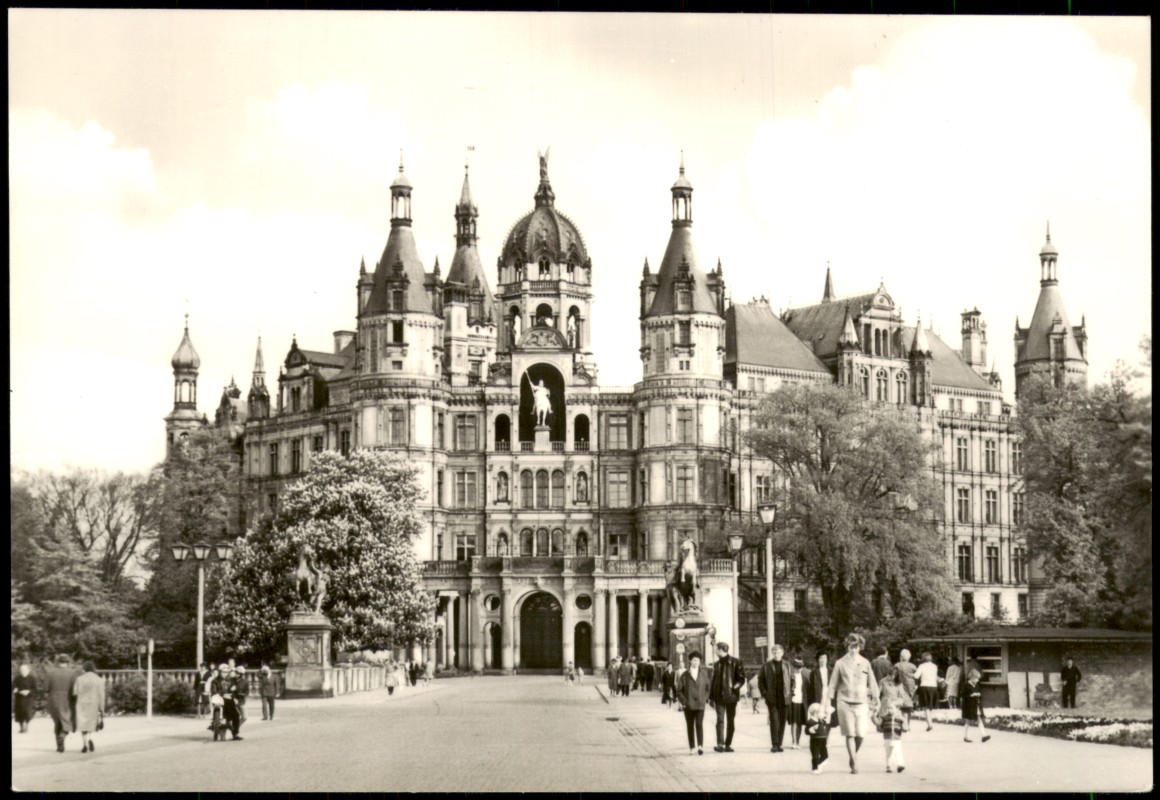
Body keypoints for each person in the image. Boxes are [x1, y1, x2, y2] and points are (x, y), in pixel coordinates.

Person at [828, 632, 880, 774]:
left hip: (861, 702)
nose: (853, 650)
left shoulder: (865, 662)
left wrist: (876, 697)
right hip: (844, 701)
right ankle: (854, 761)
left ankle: (853, 756)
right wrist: (828, 703)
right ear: (847, 647)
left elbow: (872, 682)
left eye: (856, 647)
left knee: (861, 733)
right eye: (851, 646)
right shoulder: (840, 663)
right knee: (850, 733)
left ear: (860, 647)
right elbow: (832, 684)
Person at [708, 642, 745, 753]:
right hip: (719, 697)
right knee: (720, 720)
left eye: (716, 649)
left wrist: (735, 687)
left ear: (721, 650)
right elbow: (713, 682)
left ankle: (728, 744)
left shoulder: (736, 662)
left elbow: (741, 678)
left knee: (730, 721)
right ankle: (720, 744)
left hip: (731, 697)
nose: (715, 651)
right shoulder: (716, 664)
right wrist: (711, 697)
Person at [758, 644, 793, 753]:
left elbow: (792, 680)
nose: (776, 654)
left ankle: (779, 744)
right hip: (772, 698)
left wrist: (791, 692)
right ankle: (774, 744)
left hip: (784, 698)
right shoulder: (766, 666)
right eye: (774, 652)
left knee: (782, 722)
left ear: (782, 653)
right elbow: (761, 681)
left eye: (778, 652)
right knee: (774, 721)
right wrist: (765, 694)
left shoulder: (787, 665)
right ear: (772, 654)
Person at [676, 651, 711, 756]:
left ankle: (700, 746)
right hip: (688, 705)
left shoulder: (704, 674)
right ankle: (692, 747)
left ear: (700, 662)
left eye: (698, 660)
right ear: (690, 661)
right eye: (694, 660)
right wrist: (684, 702)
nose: (696, 662)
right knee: (690, 726)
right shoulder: (685, 675)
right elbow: (679, 691)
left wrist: (705, 698)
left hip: (700, 704)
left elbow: (708, 688)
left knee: (699, 724)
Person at [45, 654, 80, 754]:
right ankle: (62, 736)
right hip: (67, 700)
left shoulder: (50, 673)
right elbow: (75, 689)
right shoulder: (72, 673)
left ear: (58, 662)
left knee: (57, 722)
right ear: (67, 662)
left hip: (53, 700)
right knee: (67, 721)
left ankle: (59, 746)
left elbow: (46, 688)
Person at [876, 667, 908, 773]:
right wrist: (876, 708)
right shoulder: (883, 681)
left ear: (896, 676)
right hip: (885, 707)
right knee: (888, 737)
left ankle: (899, 763)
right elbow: (877, 695)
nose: (890, 677)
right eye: (889, 675)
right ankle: (888, 763)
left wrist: (895, 702)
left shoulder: (899, 684)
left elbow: (903, 699)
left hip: (895, 708)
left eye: (893, 676)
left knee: (896, 739)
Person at [71, 662, 105, 754]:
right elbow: (101, 695)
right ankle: (90, 738)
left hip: (82, 704)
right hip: (94, 704)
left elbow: (75, 693)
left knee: (83, 725)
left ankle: (84, 744)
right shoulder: (99, 680)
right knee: (91, 724)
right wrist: (102, 709)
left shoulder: (79, 679)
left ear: (84, 669)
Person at [960, 669, 990, 743]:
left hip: (976, 705)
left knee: (979, 719)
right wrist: (970, 695)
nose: (977, 680)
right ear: (972, 677)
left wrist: (978, 694)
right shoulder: (966, 685)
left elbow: (979, 692)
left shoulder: (976, 685)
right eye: (976, 678)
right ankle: (966, 736)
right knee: (968, 721)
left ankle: (983, 735)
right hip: (968, 706)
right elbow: (962, 695)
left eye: (978, 679)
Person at [914, 652, 940, 731]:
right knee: (930, 706)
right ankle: (930, 721)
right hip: (933, 686)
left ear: (923, 659)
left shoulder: (922, 666)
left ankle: (929, 724)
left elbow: (916, 676)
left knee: (925, 707)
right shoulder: (935, 666)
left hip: (924, 686)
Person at [894, 649, 918, 732]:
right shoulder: (912, 666)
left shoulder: (896, 665)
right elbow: (917, 676)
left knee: (901, 707)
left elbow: (894, 676)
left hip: (900, 686)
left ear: (901, 657)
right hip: (910, 688)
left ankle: (902, 725)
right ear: (909, 657)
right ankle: (907, 724)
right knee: (908, 708)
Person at [804, 702, 831, 773]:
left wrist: (827, 714)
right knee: (815, 755)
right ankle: (815, 768)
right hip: (815, 741)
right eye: (821, 712)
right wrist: (810, 730)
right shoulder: (810, 721)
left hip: (823, 741)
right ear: (816, 713)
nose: (823, 714)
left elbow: (825, 722)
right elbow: (806, 731)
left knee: (825, 755)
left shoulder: (820, 720)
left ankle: (819, 764)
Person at [12, 662, 37, 734]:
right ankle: (21, 727)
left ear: (28, 670)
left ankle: (26, 725)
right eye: (22, 670)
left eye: (25, 670)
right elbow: (13, 687)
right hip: (19, 698)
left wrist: (28, 692)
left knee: (27, 712)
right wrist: (16, 690)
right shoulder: (17, 678)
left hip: (28, 699)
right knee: (19, 713)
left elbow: (35, 689)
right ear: (20, 670)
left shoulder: (32, 678)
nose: (23, 671)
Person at [788, 656, 807, 749]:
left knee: (799, 722)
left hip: (801, 701)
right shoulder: (790, 676)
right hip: (793, 701)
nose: (799, 669)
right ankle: (793, 741)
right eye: (797, 667)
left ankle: (797, 742)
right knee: (793, 722)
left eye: (801, 667)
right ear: (793, 667)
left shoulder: (804, 677)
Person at [805, 651, 831, 715]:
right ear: (818, 660)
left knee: (828, 713)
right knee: (819, 713)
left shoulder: (831, 671)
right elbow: (811, 688)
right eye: (821, 658)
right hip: (818, 694)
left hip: (828, 694)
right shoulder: (814, 673)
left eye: (825, 658)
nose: (823, 660)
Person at [234, 665, 249, 730]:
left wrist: (240, 693)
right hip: (233, 701)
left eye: (237, 673)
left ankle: (236, 727)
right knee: (234, 717)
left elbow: (247, 692)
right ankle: (234, 729)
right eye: (235, 672)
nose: (236, 674)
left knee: (245, 717)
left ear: (241, 674)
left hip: (241, 701)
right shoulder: (232, 680)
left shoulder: (245, 682)